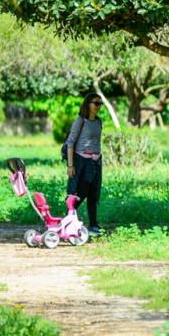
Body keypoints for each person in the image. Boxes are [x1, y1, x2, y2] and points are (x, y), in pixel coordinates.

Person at [66, 93, 106, 236]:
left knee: (94, 194)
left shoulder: (99, 121)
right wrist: (71, 166)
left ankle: (93, 224)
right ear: (88, 104)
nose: (98, 106)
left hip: (96, 161)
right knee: (80, 193)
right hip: (82, 160)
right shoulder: (80, 120)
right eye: (96, 103)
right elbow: (70, 143)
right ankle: (69, 220)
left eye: (100, 104)